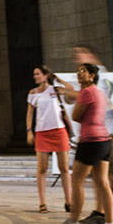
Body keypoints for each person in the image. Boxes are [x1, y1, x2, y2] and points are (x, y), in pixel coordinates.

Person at [70, 45, 113, 221]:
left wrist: (69, 93)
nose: (77, 58)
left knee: (101, 176)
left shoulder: (98, 79)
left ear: (92, 55)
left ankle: (111, 210)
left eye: (80, 54)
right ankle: (108, 215)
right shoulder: (95, 80)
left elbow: (79, 112)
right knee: (103, 177)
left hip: (102, 135)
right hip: (105, 135)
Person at [56, 64, 113, 224]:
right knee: (103, 182)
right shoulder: (98, 92)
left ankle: (73, 222)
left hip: (91, 141)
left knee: (77, 181)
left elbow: (75, 116)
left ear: (92, 76)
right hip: (104, 141)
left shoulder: (87, 92)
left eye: (83, 71)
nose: (79, 73)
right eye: (78, 71)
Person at [25, 65, 73, 214]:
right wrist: (29, 131)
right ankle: (42, 203)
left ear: (45, 76)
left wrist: (57, 78)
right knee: (42, 169)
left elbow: (70, 89)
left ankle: (69, 201)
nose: (35, 77)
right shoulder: (32, 93)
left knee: (64, 168)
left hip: (59, 131)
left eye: (38, 74)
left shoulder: (55, 90)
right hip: (42, 133)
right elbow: (30, 114)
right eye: (34, 74)